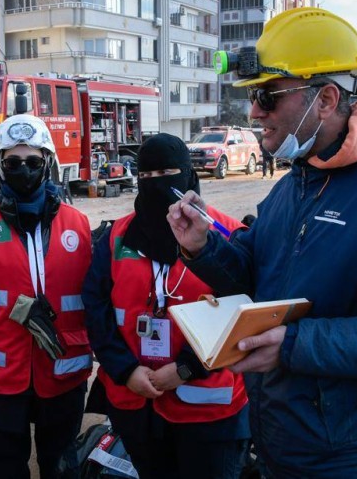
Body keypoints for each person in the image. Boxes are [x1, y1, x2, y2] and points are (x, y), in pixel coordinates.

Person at [167, 7, 357, 477]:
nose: (254, 112)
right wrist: (203, 247)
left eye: (268, 95)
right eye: (253, 96)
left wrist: (295, 345)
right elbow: (256, 274)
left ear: (327, 99)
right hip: (276, 437)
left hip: (346, 458)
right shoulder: (301, 179)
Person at [82, 133, 249, 479]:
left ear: (188, 176)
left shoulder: (227, 234)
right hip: (136, 402)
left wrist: (186, 369)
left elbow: (243, 313)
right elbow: (95, 308)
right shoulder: (115, 237)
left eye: (167, 174)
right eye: (146, 177)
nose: (156, 185)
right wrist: (126, 370)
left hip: (208, 412)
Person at [0, 114, 92, 479]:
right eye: (13, 162)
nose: (23, 169)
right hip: (0, 378)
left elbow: (92, 296)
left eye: (32, 162)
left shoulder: (78, 225)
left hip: (62, 372)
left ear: (47, 165)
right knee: (9, 465)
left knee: (61, 464)